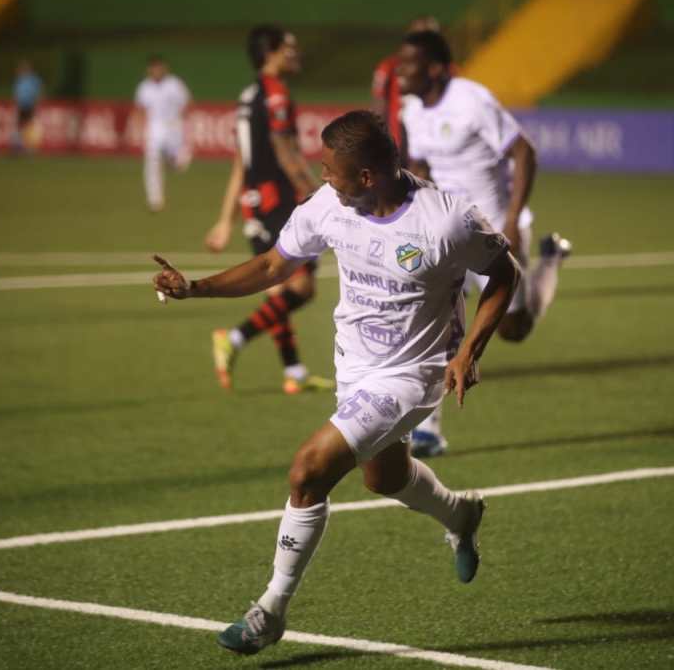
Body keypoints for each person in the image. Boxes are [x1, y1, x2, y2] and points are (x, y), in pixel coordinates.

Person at [153, 110, 520, 656]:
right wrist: (195, 289)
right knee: (384, 478)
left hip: (412, 375)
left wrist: (469, 350)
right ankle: (461, 514)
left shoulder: (445, 221)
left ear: (368, 175)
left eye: (331, 170)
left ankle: (271, 610)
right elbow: (275, 265)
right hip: (355, 367)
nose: (322, 178)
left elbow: (504, 272)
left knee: (308, 471)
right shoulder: (329, 206)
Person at [397, 29, 572, 457]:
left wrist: (512, 221)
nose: (400, 71)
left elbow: (523, 152)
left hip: (495, 230)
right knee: (437, 315)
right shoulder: (410, 110)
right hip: (449, 230)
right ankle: (427, 428)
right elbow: (421, 164)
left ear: (436, 68)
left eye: (409, 63)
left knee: (514, 329)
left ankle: (550, 258)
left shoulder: (471, 99)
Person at [204, 25, 330, 395]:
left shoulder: (247, 96)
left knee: (276, 287)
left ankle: (294, 371)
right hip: (278, 202)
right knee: (302, 287)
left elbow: (241, 162)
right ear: (271, 53)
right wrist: (318, 192)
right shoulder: (275, 94)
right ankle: (235, 338)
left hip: (254, 203)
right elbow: (285, 151)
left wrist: (226, 218)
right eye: (289, 47)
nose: (296, 52)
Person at [371, 15, 441, 153]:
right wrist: (377, 138)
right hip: (400, 146)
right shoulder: (389, 66)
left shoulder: (446, 70)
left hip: (437, 144)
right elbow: (379, 104)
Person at [133, 54, 192, 212]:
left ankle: (175, 160)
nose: (156, 70)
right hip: (155, 127)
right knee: (151, 160)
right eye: (153, 67)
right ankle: (155, 199)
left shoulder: (174, 84)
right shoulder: (144, 87)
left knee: (178, 164)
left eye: (159, 67)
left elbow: (186, 104)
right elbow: (140, 109)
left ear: (164, 68)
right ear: (149, 70)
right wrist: (137, 128)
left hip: (173, 126)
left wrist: (186, 127)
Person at [11, 59, 42, 153]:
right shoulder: (19, 80)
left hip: (30, 105)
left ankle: (30, 147)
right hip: (21, 106)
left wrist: (36, 103)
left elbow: (37, 92)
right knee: (19, 126)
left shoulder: (33, 80)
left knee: (29, 126)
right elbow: (16, 93)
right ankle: (17, 146)